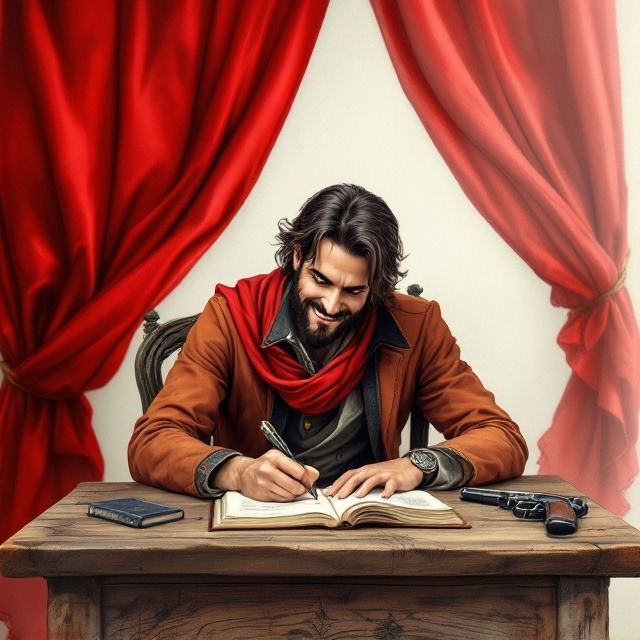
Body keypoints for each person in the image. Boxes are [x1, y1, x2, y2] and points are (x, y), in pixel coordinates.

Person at [128, 184, 528, 502]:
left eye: (353, 290)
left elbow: (501, 436)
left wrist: (417, 465)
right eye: (321, 280)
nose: (332, 305)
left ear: (377, 286)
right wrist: (238, 472)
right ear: (298, 255)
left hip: (374, 539)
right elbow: (153, 440)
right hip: (253, 544)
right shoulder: (230, 318)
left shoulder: (416, 326)